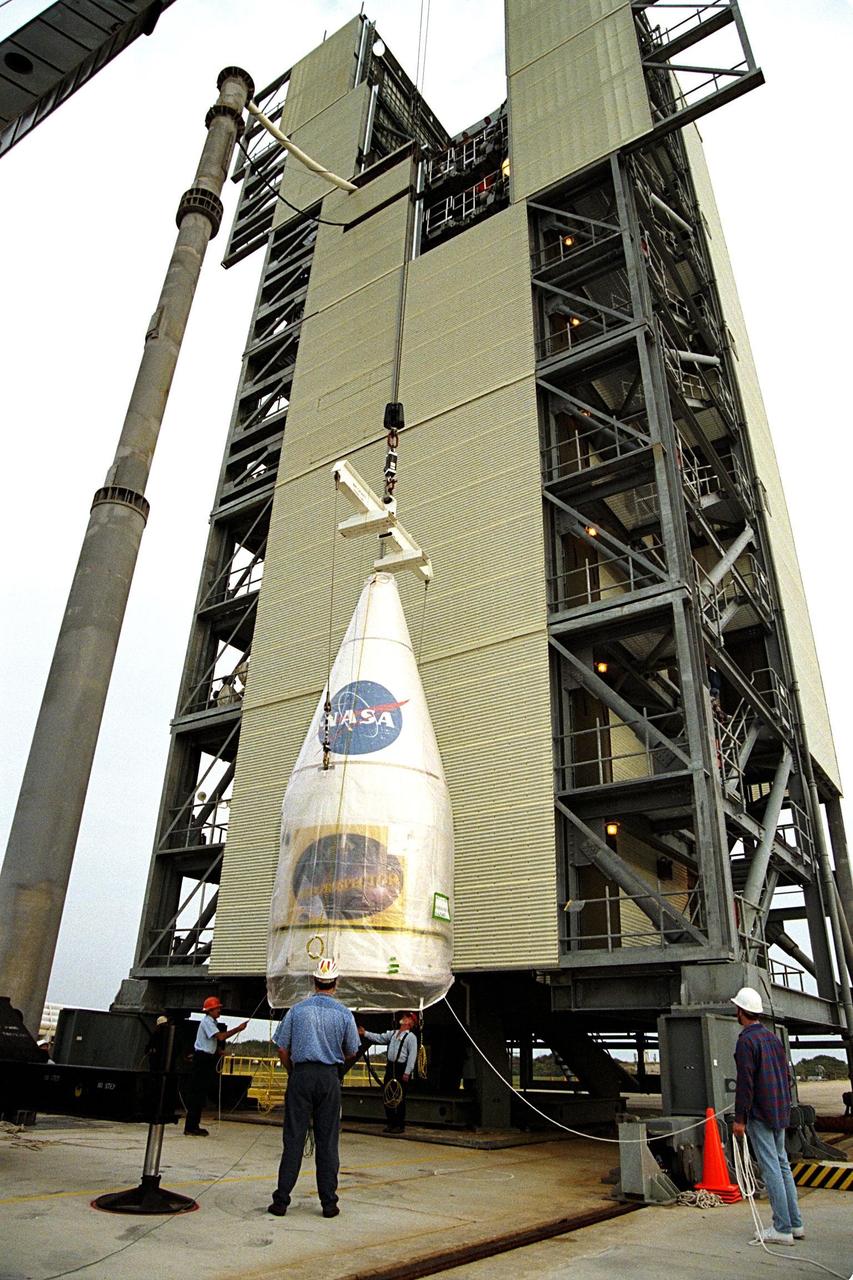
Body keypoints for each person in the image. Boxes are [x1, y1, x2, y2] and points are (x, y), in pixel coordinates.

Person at [268, 958, 360, 1218]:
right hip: (329, 1078)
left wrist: (293, 1072)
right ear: (336, 982)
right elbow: (352, 1050)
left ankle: (281, 1200)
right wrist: (337, 1072)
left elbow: (282, 1048)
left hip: (301, 1076)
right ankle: (329, 1203)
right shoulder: (344, 1014)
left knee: (294, 1139)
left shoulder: (297, 1010)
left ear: (313, 981)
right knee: (328, 1141)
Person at [731, 986, 803, 1246]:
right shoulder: (773, 1039)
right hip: (779, 1111)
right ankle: (795, 1223)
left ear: (741, 1011)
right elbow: (786, 1077)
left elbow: (745, 1084)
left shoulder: (746, 1041)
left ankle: (781, 1228)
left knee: (771, 1167)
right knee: (783, 1165)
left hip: (760, 1114)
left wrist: (739, 1119)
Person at [183, 996, 248, 1136]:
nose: (219, 1010)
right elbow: (220, 1037)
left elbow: (210, 1041)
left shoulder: (211, 1022)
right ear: (210, 1010)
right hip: (202, 1060)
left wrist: (218, 1052)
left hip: (206, 1058)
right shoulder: (207, 1022)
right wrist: (238, 1029)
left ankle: (193, 1125)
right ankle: (191, 1126)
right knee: (197, 1093)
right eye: (217, 1008)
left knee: (200, 1093)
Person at [358, 1011, 419, 1134]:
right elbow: (379, 1038)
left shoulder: (411, 1038)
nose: (403, 1018)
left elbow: (412, 1056)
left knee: (399, 1097)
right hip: (391, 1067)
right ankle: (390, 1122)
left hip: (401, 1068)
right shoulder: (393, 1034)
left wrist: (407, 1072)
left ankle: (399, 1124)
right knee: (388, 1095)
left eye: (406, 1017)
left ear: (410, 1022)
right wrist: (365, 1033)